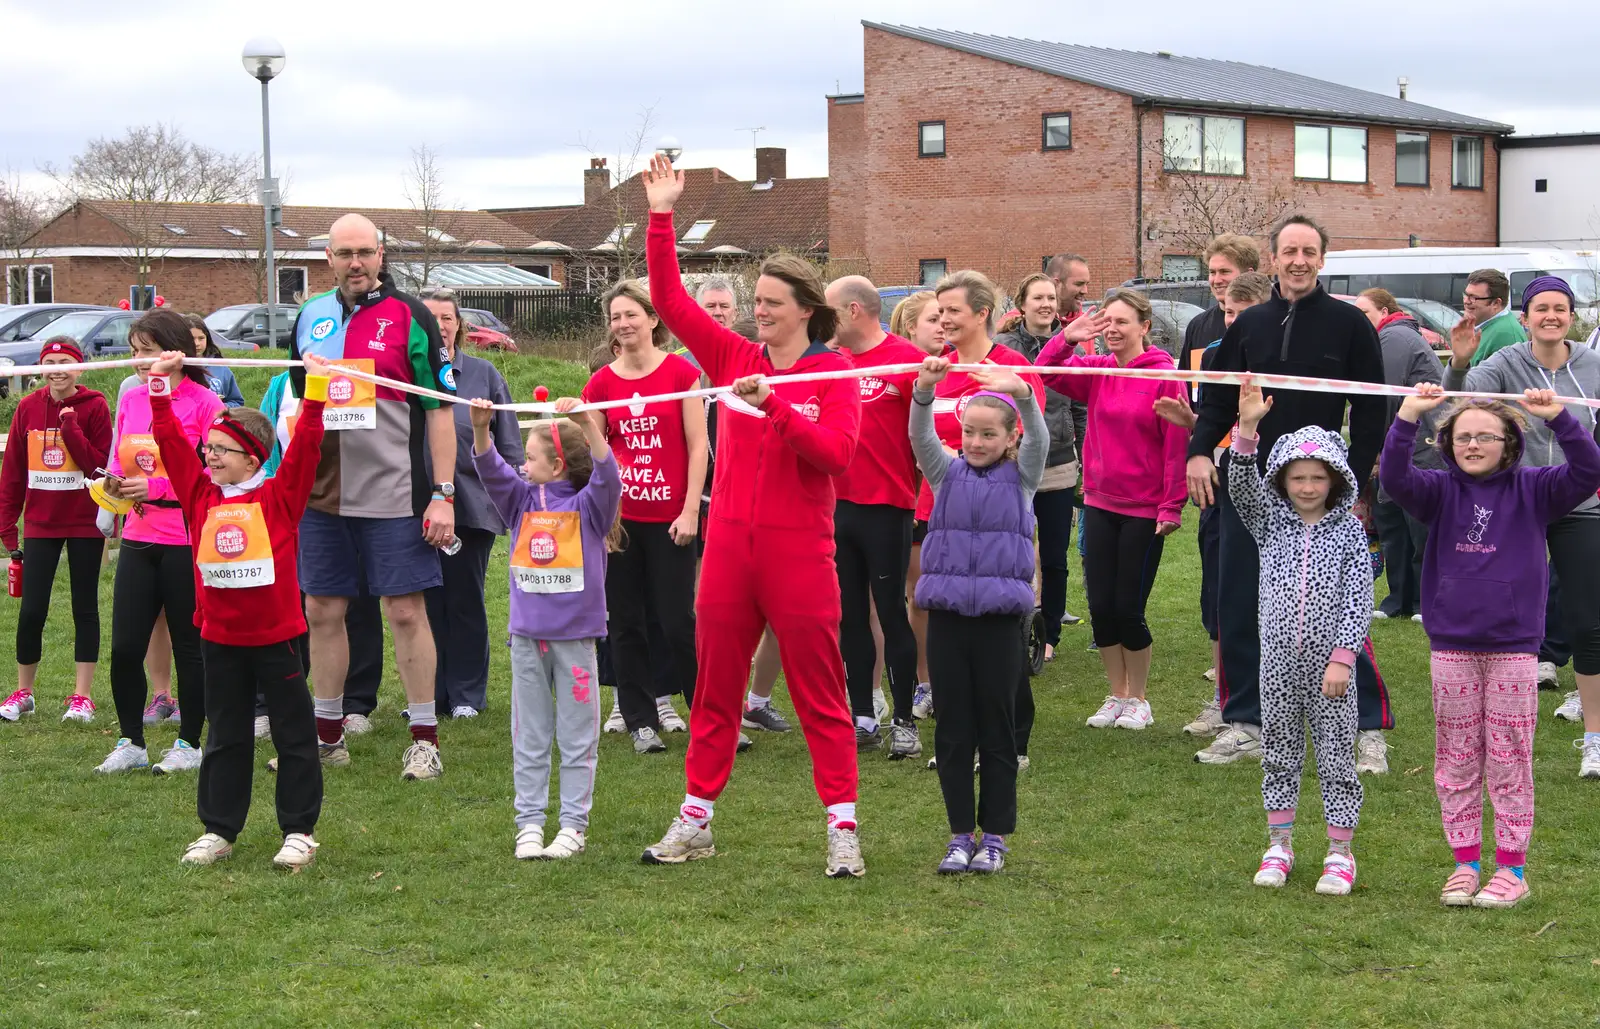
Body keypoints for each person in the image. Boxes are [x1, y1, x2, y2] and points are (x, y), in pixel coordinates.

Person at [638, 152, 865, 877]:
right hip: (730, 549)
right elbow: (670, 301)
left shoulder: (833, 372)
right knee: (714, 688)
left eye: (772, 301)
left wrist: (781, 414)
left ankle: (842, 826)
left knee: (820, 693)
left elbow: (837, 456)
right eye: (755, 300)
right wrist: (663, 215)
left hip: (800, 552)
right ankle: (696, 817)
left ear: (807, 308)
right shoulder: (733, 355)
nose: (759, 310)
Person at [1187, 214, 1394, 770]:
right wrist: (1200, 452)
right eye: (1289, 251)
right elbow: (1217, 399)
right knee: (1239, 600)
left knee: (1338, 609)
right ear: (1273, 259)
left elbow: (1371, 408)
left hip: (1319, 494)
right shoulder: (1249, 323)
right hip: (1251, 483)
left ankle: (1366, 726)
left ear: (1322, 260)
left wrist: (1351, 481)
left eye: (1309, 251)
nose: (1299, 260)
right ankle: (1246, 721)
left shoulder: (1350, 325)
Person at [1382, 382, 1600, 907]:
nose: (1473, 445)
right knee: (1456, 757)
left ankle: (1512, 870)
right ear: (1447, 443)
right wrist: (1408, 416)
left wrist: (1562, 420)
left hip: (1514, 646)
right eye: (1463, 437)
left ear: (1510, 443)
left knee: (1509, 758)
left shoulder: (1536, 489)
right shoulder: (1437, 491)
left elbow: (1589, 472)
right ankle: (1465, 863)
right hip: (1451, 646)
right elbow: (1393, 478)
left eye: (1486, 437)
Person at [287, 213, 458, 781]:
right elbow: (297, 405)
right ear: (328, 258)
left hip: (395, 491)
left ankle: (425, 738)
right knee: (322, 610)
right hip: (323, 494)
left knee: (405, 610)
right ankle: (327, 734)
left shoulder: (410, 315)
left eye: (365, 252)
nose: (355, 263)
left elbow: (438, 411)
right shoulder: (310, 315)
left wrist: (442, 493)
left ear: (381, 254)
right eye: (344, 253)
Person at [149, 349, 333, 870]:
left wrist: (315, 389)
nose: (210, 456)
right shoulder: (200, 495)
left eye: (224, 451)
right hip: (219, 639)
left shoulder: (279, 497)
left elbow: (307, 449)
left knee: (294, 736)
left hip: (277, 639)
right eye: (209, 447)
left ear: (253, 459)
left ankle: (299, 831)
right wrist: (161, 385)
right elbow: (169, 443)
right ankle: (218, 830)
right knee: (224, 736)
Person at [1443, 276, 1600, 777]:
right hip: (1521, 501)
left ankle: (1594, 735)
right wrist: (1461, 363)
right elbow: (1459, 410)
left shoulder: (1594, 368)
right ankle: (1495, 720)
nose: (1551, 316)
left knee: (1588, 619)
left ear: (1571, 316)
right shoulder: (1505, 363)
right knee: (1510, 608)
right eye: (1541, 308)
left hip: (1581, 503)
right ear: (1526, 317)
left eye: (1560, 308)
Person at [1229, 384, 1371, 896]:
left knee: (1336, 757)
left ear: (1335, 481)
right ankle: (1279, 843)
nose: (1307, 487)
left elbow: (1358, 598)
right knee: (1280, 752)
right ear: (1283, 480)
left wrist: (1343, 658)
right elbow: (1241, 488)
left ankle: (1339, 852)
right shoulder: (1270, 523)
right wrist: (1246, 431)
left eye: (1317, 478)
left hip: (1332, 671)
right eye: (1297, 477)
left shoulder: (1350, 533)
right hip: (1277, 665)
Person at [912, 357, 1048, 874]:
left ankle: (994, 837)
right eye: (969, 432)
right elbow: (921, 436)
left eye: (988, 434)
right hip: (947, 621)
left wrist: (1026, 396)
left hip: (997, 625)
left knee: (996, 729)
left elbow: (1039, 438)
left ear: (1011, 438)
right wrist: (924, 392)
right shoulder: (946, 475)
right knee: (952, 732)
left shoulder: (1023, 478)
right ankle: (957, 836)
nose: (975, 442)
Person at [470, 395, 621, 861]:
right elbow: (491, 470)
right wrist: (480, 429)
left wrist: (587, 425)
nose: (522, 463)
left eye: (530, 457)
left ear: (556, 466)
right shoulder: (518, 500)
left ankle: (573, 826)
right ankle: (529, 824)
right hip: (527, 640)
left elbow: (608, 476)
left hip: (575, 642)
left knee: (577, 737)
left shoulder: (589, 506)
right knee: (530, 735)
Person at [1038, 288, 1187, 730]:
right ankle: (1116, 694)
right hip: (1099, 503)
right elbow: (1046, 372)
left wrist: (1171, 506)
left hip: (1145, 510)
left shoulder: (1163, 375)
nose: (1114, 331)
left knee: (1128, 606)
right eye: (1108, 323)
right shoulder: (1097, 368)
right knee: (1101, 605)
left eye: (1123, 322)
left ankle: (1139, 698)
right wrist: (1067, 337)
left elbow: (1176, 447)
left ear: (1144, 327)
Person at [919, 270, 1051, 759]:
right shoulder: (937, 367)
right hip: (942, 515)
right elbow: (921, 436)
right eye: (939, 311)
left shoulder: (1013, 366)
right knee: (952, 640)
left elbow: (1030, 442)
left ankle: (1009, 740)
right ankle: (959, 738)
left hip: (1000, 520)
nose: (944, 319)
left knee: (1002, 645)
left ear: (981, 313)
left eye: (953, 310)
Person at [95, 309, 225, 774]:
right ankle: (131, 740)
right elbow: (119, 458)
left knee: (192, 647)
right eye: (133, 352)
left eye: (146, 352)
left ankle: (190, 741)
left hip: (187, 539)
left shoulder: (206, 403)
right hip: (138, 535)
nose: (137, 362)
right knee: (125, 646)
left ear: (175, 355)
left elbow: (218, 473)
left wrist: (157, 489)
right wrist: (110, 486)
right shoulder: (130, 399)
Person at [581, 280, 707, 754]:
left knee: (677, 621)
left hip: (674, 521)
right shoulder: (602, 384)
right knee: (625, 623)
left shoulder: (679, 374)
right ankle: (640, 721)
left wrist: (691, 508)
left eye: (631, 314)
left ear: (653, 320)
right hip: (620, 526)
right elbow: (595, 455)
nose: (623, 324)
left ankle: (709, 715)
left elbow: (699, 445)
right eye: (615, 317)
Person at [1161, 271, 1272, 736]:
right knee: (1219, 598)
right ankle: (1224, 697)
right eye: (1228, 312)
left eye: (1244, 314)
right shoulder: (1213, 358)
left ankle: (1268, 700)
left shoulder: (1281, 362)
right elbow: (1211, 423)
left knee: (1265, 602)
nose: (1233, 322)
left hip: (1273, 494)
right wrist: (1194, 433)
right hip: (1220, 494)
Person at [826, 275, 926, 757]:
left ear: (853, 311)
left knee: (891, 609)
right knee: (849, 616)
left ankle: (905, 719)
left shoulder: (906, 360)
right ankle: (862, 714)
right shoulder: (828, 362)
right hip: (836, 506)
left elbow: (922, 435)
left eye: (828, 311)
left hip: (888, 504)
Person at [258, 369, 386, 738]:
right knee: (294, 605)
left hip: (354, 501)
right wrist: (268, 493)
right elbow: (265, 441)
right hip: (290, 506)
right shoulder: (282, 383)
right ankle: (285, 701)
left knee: (356, 603)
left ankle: (356, 703)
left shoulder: (358, 372)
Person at [420, 288, 523, 719]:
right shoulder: (403, 373)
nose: (441, 326)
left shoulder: (482, 374)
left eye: (448, 318)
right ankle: (429, 695)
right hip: (411, 506)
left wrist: (517, 495)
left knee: (463, 599)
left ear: (459, 325)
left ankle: (465, 695)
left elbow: (510, 441)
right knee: (423, 604)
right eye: (431, 318)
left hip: (472, 506)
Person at [0, 337, 111, 724]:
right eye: (50, 362)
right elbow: (13, 469)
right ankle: (24, 691)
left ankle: (82, 697)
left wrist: (70, 427)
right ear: (41, 368)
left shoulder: (95, 406)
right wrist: (8, 523)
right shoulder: (28, 408)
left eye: (66, 361)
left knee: (85, 607)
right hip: (41, 523)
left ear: (80, 368)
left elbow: (97, 467)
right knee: (31, 610)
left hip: (84, 520)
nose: (58, 368)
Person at [994, 273, 1080, 663]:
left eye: (1051, 298)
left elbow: (1079, 406)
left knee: (1055, 555)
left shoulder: (1071, 348)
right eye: (1038, 298)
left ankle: (1051, 634)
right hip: (1012, 462)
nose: (1046, 304)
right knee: (1014, 548)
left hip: (1060, 461)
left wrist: (1084, 454)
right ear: (1022, 304)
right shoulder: (1003, 348)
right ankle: (1013, 622)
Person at [1353, 287, 1442, 622]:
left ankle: (1423, 602)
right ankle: (1398, 601)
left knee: (1418, 526)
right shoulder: (1384, 338)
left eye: (1365, 312)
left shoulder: (1395, 337)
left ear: (1385, 310)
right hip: (1398, 444)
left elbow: (1383, 398)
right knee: (1392, 524)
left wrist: (1374, 450)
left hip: (1420, 444)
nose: (1359, 320)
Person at [888, 289, 946, 714]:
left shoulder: (956, 370)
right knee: (920, 596)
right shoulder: (897, 371)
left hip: (956, 501)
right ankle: (924, 682)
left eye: (946, 316)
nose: (942, 324)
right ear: (911, 328)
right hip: (910, 502)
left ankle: (952, 677)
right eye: (933, 318)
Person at [1178, 234, 1260, 379]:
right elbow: (1188, 386)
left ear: (1249, 274)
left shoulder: (1269, 322)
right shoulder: (1197, 325)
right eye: (1212, 272)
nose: (1216, 280)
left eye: (1224, 272)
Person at [1463, 269, 1528, 366]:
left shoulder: (1506, 335)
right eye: (1466, 295)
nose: (1466, 301)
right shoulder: (1489, 326)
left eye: (1473, 298)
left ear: (1496, 303)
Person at [183, 314, 245, 408]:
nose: (197, 344)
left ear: (207, 338)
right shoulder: (176, 368)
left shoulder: (221, 368)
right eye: (192, 339)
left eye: (201, 338)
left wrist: (220, 407)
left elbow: (237, 402)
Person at [890, 290, 945, 357]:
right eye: (933, 320)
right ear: (911, 327)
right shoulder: (895, 364)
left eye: (944, 320)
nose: (942, 329)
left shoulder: (958, 361)